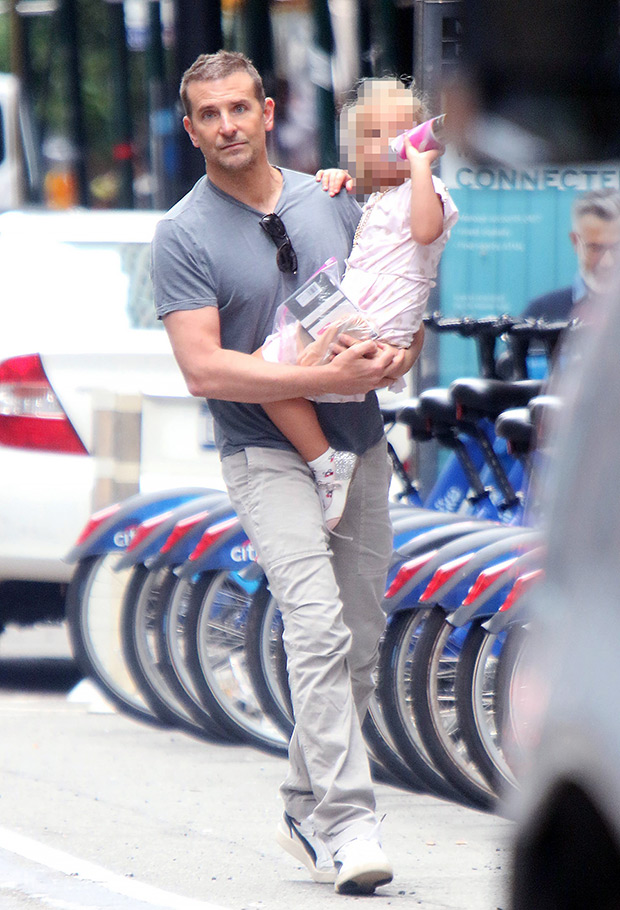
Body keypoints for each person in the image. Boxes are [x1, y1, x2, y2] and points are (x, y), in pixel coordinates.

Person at [151, 51, 423, 895]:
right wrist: (320, 381)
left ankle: (305, 804)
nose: (227, 125)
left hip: (363, 442)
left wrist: (390, 359)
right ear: (191, 126)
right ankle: (348, 822)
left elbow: (395, 300)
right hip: (264, 452)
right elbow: (206, 371)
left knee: (361, 642)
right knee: (314, 624)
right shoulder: (181, 235)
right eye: (209, 114)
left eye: (240, 108)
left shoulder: (330, 199)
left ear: (268, 112)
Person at [257, 79, 458, 530]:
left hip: (371, 323)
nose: (387, 145)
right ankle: (326, 462)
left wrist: (421, 166)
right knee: (269, 377)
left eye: (400, 132)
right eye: (371, 137)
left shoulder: (429, 191)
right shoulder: (377, 198)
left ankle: (327, 463)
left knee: (264, 374)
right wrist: (335, 177)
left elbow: (425, 230)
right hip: (356, 317)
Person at [522, 188, 620, 320]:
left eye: (616, 248)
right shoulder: (541, 313)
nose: (607, 262)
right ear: (575, 242)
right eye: (595, 248)